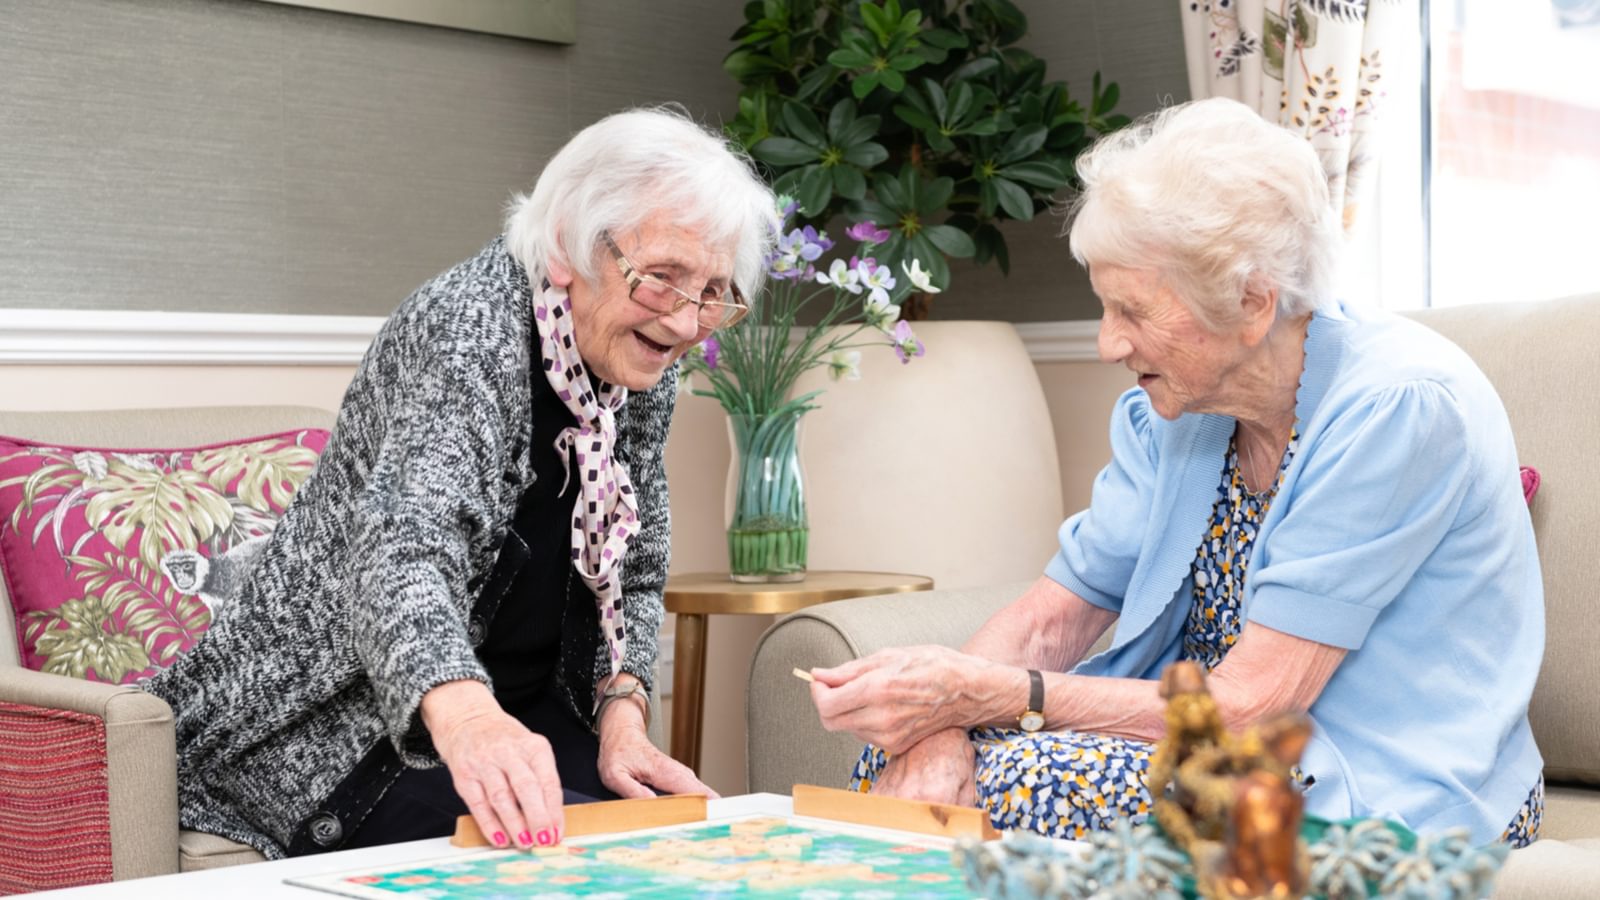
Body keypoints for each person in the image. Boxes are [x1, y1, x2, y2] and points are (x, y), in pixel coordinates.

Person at [807, 97, 1544, 847]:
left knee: (1015, 784)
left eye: (1132, 311)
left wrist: (986, 695)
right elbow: (1049, 619)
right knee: (902, 757)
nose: (1105, 344)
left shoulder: (1397, 410)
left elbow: (1254, 706)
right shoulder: (1181, 412)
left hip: (1379, 779)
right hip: (1210, 749)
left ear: (1253, 302)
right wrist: (940, 725)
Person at [145, 107, 777, 859]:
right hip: (347, 735)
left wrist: (623, 713)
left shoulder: (633, 363)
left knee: (690, 849)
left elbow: (632, 568)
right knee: (589, 864)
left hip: (528, 713)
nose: (685, 322)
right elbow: (403, 553)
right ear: (568, 245)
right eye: (661, 280)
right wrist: (472, 722)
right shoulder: (470, 326)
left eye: (713, 292)